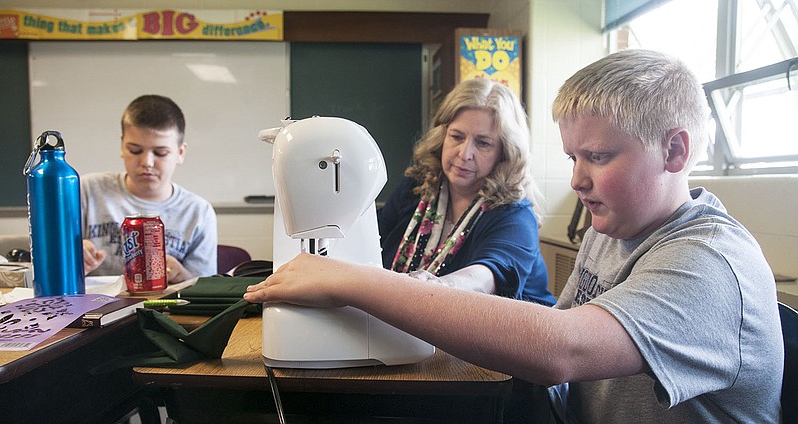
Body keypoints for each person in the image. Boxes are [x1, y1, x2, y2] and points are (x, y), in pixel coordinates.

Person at [245, 49, 783, 422]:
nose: (576, 179)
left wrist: (349, 282)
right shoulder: (616, 227)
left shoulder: (709, 264)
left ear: (675, 152)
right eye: (573, 157)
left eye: (598, 156)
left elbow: (562, 349)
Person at [378, 77, 555, 305]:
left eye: (483, 143)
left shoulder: (515, 215)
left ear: (504, 153)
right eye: (457, 137)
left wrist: (436, 287)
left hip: (512, 337)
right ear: (442, 136)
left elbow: (486, 277)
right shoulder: (416, 187)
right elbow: (374, 239)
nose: (464, 153)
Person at [81, 94, 217, 283]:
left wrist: (182, 276)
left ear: (180, 153)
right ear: (122, 146)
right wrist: (69, 256)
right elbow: (47, 258)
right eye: (135, 150)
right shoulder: (86, 191)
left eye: (160, 153)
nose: (147, 162)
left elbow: (206, 288)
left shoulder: (198, 212)